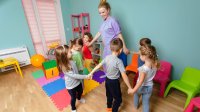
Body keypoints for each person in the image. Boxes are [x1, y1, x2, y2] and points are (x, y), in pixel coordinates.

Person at [89, 38, 132, 112]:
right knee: (118, 99)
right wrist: (130, 87)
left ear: (110, 48)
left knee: (109, 96)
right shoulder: (119, 61)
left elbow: (98, 65)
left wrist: (91, 72)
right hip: (114, 82)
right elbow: (124, 75)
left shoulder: (107, 57)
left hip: (107, 81)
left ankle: (109, 109)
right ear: (121, 50)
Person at [88, 0, 130, 68]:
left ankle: (112, 77)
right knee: (105, 63)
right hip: (106, 48)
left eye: (103, 12)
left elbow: (119, 34)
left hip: (113, 48)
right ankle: (107, 76)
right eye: (100, 13)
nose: (101, 14)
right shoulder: (102, 22)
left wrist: (124, 47)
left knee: (111, 65)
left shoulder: (113, 21)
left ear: (108, 10)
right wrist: (91, 43)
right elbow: (99, 33)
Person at [55, 45, 92, 112]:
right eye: (70, 52)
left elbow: (76, 69)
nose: (71, 52)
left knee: (80, 91)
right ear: (64, 56)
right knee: (73, 98)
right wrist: (86, 76)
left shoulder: (71, 60)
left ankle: (79, 98)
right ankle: (73, 108)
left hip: (77, 82)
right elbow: (75, 75)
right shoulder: (64, 67)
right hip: (71, 86)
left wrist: (76, 48)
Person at [128, 45, 160, 112]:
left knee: (136, 95)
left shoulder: (143, 69)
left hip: (141, 87)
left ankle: (136, 107)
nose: (139, 56)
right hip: (150, 87)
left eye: (140, 55)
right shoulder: (155, 65)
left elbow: (141, 81)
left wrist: (133, 90)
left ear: (144, 57)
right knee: (146, 103)